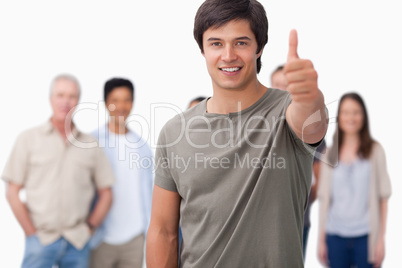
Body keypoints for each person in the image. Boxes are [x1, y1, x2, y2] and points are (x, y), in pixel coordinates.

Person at [146, 0, 328, 267]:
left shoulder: (286, 112)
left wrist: (311, 97)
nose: (228, 55)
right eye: (216, 43)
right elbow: (163, 231)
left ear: (260, 47)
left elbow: (311, 122)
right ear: (203, 49)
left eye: (241, 42)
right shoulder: (174, 132)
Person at [2, 74, 114, 268]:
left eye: (72, 96)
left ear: (78, 100)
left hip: (77, 242)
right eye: (60, 95)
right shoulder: (28, 139)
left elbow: (106, 193)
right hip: (41, 240)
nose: (66, 101)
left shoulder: (91, 144)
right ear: (50, 98)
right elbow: (12, 191)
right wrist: (31, 233)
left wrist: (89, 229)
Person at [317, 93, 391, 268]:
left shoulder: (375, 151)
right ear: (339, 117)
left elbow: (383, 198)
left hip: (365, 237)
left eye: (356, 112)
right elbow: (324, 200)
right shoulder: (329, 154)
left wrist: (380, 240)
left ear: (363, 116)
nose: (351, 117)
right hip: (334, 236)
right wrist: (321, 240)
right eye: (346, 112)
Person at [89, 78, 153, 268]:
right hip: (100, 238)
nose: (121, 106)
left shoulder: (143, 147)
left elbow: (148, 192)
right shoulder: (92, 142)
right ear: (106, 103)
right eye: (115, 99)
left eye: (127, 99)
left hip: (134, 239)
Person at [271, 63, 327, 261]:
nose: (280, 89)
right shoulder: (257, 124)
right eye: (276, 84)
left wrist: (299, 198)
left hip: (296, 222)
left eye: (285, 84)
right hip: (260, 225)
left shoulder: (310, 127)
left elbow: (321, 179)